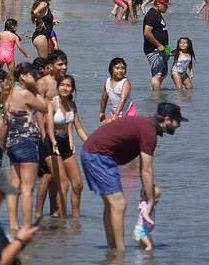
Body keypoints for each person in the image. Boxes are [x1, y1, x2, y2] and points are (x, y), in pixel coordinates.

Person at [80, 102, 186, 250]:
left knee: (111, 205)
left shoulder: (147, 126)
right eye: (178, 121)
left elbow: (144, 169)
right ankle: (119, 252)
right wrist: (149, 201)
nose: (179, 125)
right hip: (98, 156)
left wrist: (148, 195)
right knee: (119, 204)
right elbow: (146, 169)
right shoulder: (149, 132)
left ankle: (113, 249)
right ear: (167, 120)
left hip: (97, 154)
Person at [4, 63, 49, 230]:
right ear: (23, 76)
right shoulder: (25, 94)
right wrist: (36, 90)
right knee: (27, 189)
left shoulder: (10, 93)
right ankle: (27, 227)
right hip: (27, 142)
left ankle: (13, 225)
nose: (35, 78)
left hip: (12, 142)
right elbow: (44, 108)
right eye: (32, 75)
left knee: (14, 186)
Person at [48, 75, 89, 218]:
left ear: (72, 89)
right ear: (58, 87)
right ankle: (62, 220)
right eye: (62, 85)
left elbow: (79, 128)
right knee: (63, 185)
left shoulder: (72, 106)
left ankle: (76, 220)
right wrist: (53, 141)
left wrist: (92, 143)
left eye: (68, 86)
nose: (65, 88)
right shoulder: (52, 104)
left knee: (78, 185)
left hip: (65, 145)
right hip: (52, 145)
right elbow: (48, 127)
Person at [142, 0, 170, 90]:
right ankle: (156, 97)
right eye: (165, 5)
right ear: (158, 4)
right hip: (154, 49)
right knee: (157, 74)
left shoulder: (158, 15)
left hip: (162, 49)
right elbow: (147, 32)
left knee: (164, 72)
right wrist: (158, 45)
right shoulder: (151, 15)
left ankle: (156, 90)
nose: (167, 7)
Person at [134, 185, 161, 251]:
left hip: (144, 231)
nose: (157, 200)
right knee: (149, 246)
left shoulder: (149, 205)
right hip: (140, 231)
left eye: (158, 197)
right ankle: (147, 259)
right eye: (156, 197)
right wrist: (149, 220)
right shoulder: (144, 204)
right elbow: (144, 213)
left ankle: (143, 257)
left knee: (150, 247)